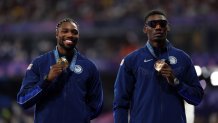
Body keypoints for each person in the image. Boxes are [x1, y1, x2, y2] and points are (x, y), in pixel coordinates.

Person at [113, 9, 204, 123]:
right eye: (152, 24)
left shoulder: (183, 58)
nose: (158, 27)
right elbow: (120, 103)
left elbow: (197, 98)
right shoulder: (131, 60)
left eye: (162, 24)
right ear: (145, 29)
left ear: (168, 28)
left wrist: (176, 82)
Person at [17, 18, 103, 123]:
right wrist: (46, 80)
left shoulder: (89, 67)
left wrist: (80, 117)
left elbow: (97, 104)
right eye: (65, 31)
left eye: (74, 32)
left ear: (78, 36)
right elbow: (23, 101)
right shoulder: (39, 63)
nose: (70, 35)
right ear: (57, 34)